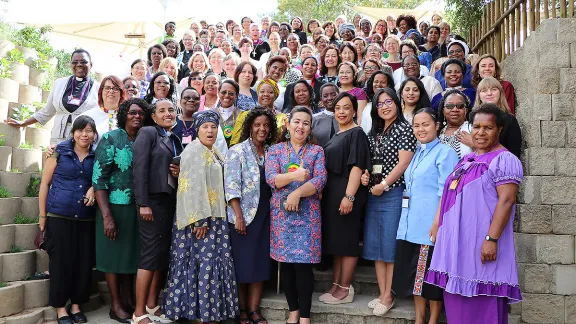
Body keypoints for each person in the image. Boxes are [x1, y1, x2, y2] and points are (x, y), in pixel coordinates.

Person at [425, 103, 524, 324]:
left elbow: (507, 200)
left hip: (481, 246)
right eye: (476, 127)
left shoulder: (504, 160)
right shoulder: (468, 159)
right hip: (457, 249)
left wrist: (491, 239)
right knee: (457, 305)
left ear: (499, 129)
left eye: (487, 128)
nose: (480, 132)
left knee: (481, 303)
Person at [163, 110, 238, 323]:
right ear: (197, 129)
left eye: (214, 127)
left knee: (208, 264)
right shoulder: (194, 151)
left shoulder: (212, 151)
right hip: (200, 219)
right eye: (205, 127)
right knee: (201, 264)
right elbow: (193, 187)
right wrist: (200, 220)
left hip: (213, 215)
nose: (210, 130)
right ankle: (199, 314)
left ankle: (207, 312)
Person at [390, 108, 459, 324]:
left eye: (425, 124)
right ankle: (419, 319)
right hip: (410, 225)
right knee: (415, 279)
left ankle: (433, 320)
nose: (420, 129)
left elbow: (446, 192)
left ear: (437, 125)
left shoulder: (445, 153)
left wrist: (438, 222)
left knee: (430, 278)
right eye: (416, 125)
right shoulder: (418, 152)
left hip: (430, 225)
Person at [265, 106, 327, 324]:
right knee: (287, 264)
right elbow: (272, 179)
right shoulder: (275, 150)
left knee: (303, 266)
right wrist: (296, 177)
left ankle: (305, 316)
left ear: (310, 128)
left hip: (307, 216)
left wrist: (297, 193)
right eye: (297, 121)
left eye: (306, 123)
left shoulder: (316, 152)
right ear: (288, 125)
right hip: (282, 217)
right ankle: (293, 311)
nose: (300, 126)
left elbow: (319, 180)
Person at [93, 98, 152, 323]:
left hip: (138, 208)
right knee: (112, 257)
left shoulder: (147, 139)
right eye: (132, 112)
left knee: (131, 257)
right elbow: (99, 179)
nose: (137, 116)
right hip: (114, 208)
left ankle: (128, 300)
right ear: (124, 114)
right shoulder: (111, 139)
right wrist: (107, 216)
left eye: (141, 113)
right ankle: (115, 305)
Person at [38, 116, 97, 324]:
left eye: (89, 131)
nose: (84, 134)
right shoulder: (60, 151)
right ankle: (61, 308)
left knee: (83, 262)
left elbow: (99, 180)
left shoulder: (97, 154)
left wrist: (93, 189)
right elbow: (45, 183)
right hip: (59, 214)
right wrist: (42, 215)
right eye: (80, 130)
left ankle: (77, 306)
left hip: (85, 217)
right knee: (61, 263)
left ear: (94, 134)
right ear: (73, 133)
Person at [363, 88, 416, 316]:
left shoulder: (405, 128)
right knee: (375, 245)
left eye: (389, 102)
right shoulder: (374, 131)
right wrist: (366, 176)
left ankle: (389, 294)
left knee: (389, 245)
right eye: (380, 103)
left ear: (397, 103)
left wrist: (383, 185)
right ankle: (382, 291)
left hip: (393, 192)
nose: (384, 106)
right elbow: (367, 160)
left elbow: (403, 163)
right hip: (373, 193)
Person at [131, 99, 183, 324]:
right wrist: (143, 203)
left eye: (171, 110)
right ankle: (138, 312)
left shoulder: (174, 138)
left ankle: (152, 305)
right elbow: (139, 168)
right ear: (153, 116)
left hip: (168, 202)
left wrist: (178, 170)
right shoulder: (148, 133)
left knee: (161, 254)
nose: (167, 113)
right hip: (150, 202)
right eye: (161, 110)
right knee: (150, 255)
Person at [225, 108, 278, 324]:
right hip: (243, 215)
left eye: (266, 125)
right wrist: (238, 215)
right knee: (242, 262)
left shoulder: (272, 151)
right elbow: (231, 185)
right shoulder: (237, 151)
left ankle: (254, 309)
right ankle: (241, 310)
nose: (262, 129)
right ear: (250, 127)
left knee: (259, 262)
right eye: (257, 125)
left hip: (267, 214)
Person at [319, 93, 371, 305]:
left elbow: (357, 166)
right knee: (337, 243)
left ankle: (345, 288)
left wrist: (349, 196)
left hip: (346, 193)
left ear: (353, 111)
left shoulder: (356, 133)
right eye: (338, 107)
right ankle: (336, 284)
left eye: (346, 107)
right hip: (333, 195)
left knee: (348, 242)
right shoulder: (337, 133)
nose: (341, 111)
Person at [5, 49, 100, 144]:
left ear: (91, 64)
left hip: (84, 143)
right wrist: (24, 123)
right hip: (58, 140)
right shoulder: (59, 84)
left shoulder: (99, 89)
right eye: (75, 62)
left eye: (83, 62)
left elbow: (103, 116)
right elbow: (47, 111)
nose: (79, 64)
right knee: (54, 159)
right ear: (70, 64)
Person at [474, 77, 522, 158]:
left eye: (493, 89)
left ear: (500, 93)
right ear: (479, 95)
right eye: (484, 90)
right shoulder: (472, 119)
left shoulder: (509, 120)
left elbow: (514, 153)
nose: (489, 93)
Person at [172, 87, 228, 155]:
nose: (191, 100)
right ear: (180, 101)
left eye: (196, 98)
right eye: (187, 98)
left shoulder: (210, 122)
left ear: (200, 102)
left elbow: (221, 149)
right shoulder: (171, 122)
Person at [80, 75, 125, 143]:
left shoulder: (127, 117)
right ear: (101, 92)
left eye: (115, 88)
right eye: (107, 88)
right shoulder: (87, 116)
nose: (111, 91)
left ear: (121, 93)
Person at [438, 89, 474, 158]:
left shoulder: (473, 129)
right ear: (443, 111)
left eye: (460, 106)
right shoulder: (437, 132)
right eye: (449, 106)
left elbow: (487, 155)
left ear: (466, 110)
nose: (455, 110)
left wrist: (474, 145)